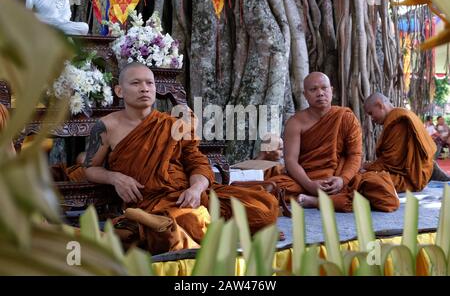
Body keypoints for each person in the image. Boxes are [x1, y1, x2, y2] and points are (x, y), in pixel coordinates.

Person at [84, 62, 278, 254]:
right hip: (151, 201)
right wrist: (116, 178)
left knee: (264, 208)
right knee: (182, 220)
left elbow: (197, 162)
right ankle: (176, 226)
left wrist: (196, 189)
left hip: (189, 196)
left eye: (149, 83)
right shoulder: (105, 127)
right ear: (119, 90)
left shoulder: (174, 124)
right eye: (135, 83)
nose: (144, 89)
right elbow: (90, 168)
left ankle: (172, 229)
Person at [267, 73, 399, 212]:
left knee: (383, 192)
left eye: (324, 88)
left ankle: (314, 201)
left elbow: (355, 155)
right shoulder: (295, 123)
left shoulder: (346, 118)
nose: (320, 93)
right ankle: (328, 199)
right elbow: (291, 160)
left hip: (340, 177)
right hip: (306, 179)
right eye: (313, 89)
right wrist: (310, 185)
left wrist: (343, 179)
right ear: (305, 94)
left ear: (332, 90)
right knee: (275, 187)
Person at [363, 93, 437, 192]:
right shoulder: (401, 115)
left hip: (413, 177)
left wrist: (366, 166)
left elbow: (393, 161)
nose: (372, 118)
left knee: (364, 181)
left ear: (380, 105)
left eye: (371, 113)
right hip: (412, 172)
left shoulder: (399, 121)